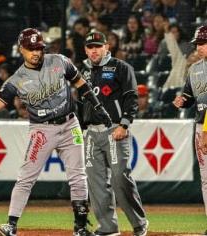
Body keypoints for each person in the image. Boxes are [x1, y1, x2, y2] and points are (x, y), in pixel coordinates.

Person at [0, 28, 112, 236]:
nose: (36, 52)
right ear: (21, 49)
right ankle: (11, 225)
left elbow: (81, 83)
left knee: (78, 176)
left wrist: (97, 106)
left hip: (69, 125)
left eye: (39, 47)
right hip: (42, 129)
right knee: (26, 178)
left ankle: (81, 227)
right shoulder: (17, 79)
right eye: (31, 49)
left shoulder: (59, 61)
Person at [79, 30, 149, 236]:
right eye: (90, 48)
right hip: (91, 132)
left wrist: (124, 124)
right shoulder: (82, 72)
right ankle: (108, 228)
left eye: (98, 47)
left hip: (114, 129)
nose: (94, 51)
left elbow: (131, 97)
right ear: (85, 49)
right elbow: (80, 103)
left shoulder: (121, 67)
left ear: (107, 47)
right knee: (96, 183)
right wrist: (81, 129)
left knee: (120, 178)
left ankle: (139, 223)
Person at [174, 25, 207, 236]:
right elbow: (189, 96)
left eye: (203, 43)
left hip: (206, 127)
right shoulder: (195, 69)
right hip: (200, 126)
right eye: (198, 44)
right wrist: (182, 100)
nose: (200, 48)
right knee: (206, 179)